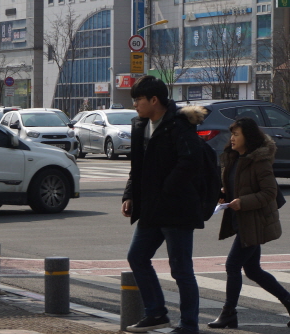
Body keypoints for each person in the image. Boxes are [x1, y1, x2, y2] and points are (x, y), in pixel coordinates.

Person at [121, 75, 207, 334]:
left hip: (177, 208)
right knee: (136, 257)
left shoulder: (178, 125)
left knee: (181, 269)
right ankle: (156, 312)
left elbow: (190, 162)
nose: (135, 104)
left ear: (154, 100)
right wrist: (129, 195)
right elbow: (137, 167)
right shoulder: (140, 125)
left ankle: (189, 324)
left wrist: (166, 188)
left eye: (138, 99)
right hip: (151, 208)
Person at [207, 117, 290, 329]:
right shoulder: (235, 158)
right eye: (232, 134)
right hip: (242, 220)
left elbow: (270, 192)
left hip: (255, 222)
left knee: (232, 265)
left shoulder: (259, 161)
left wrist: (242, 202)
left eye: (236, 134)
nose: (232, 138)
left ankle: (228, 314)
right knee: (253, 270)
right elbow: (236, 185)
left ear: (248, 137)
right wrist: (224, 194)